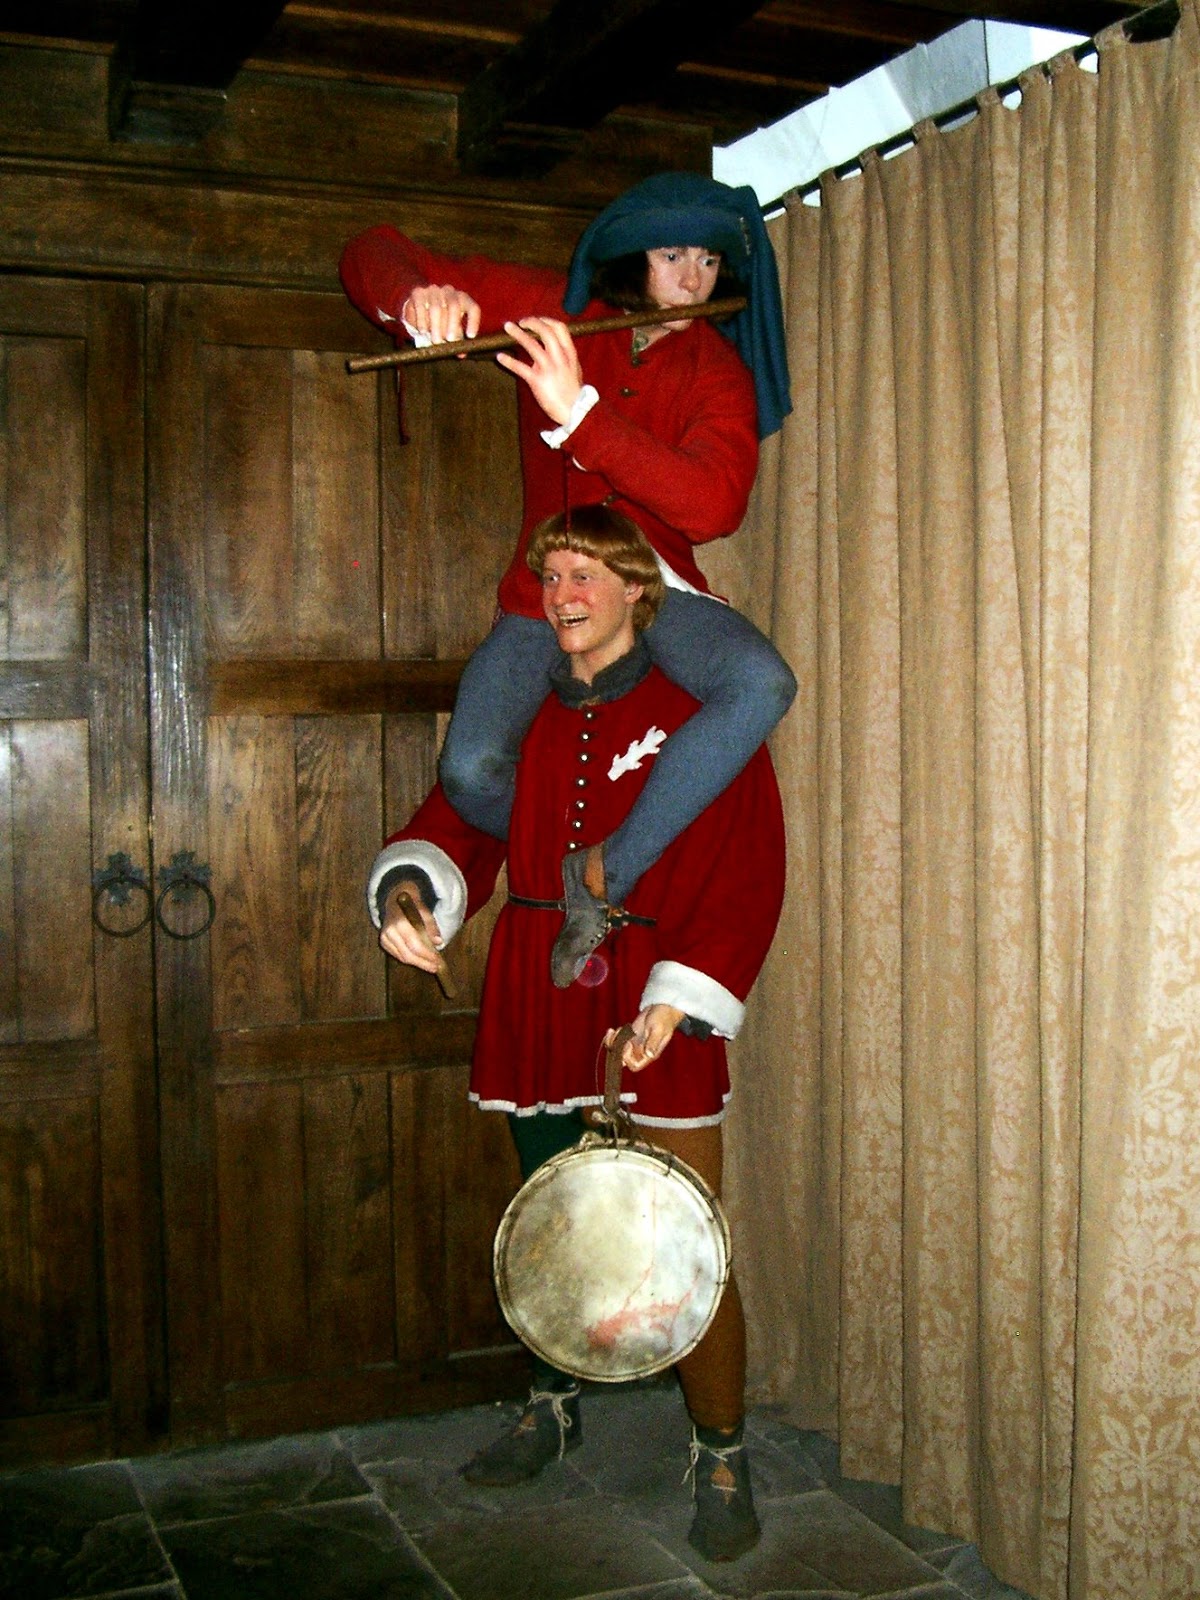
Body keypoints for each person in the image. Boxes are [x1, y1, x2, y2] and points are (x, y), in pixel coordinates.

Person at [368, 506, 785, 1562]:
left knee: (687, 1232)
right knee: (553, 1218)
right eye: (551, 574)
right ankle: (551, 1406)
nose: (564, 594)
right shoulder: (521, 717)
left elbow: (747, 864)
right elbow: (461, 822)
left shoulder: (702, 712)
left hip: (658, 995)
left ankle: (722, 1451)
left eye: (588, 573)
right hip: (540, 991)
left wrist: (682, 998)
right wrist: (413, 889)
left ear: (640, 589)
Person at [341, 172, 795, 988]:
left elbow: (714, 507)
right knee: (469, 767)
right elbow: (372, 249)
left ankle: (608, 868)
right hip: (544, 592)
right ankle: (569, 858)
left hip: (652, 585)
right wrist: (416, 301)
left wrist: (582, 417)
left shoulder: (716, 369)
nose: (692, 281)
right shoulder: (555, 309)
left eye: (708, 262)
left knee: (761, 682)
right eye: (672, 256)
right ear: (633, 255)